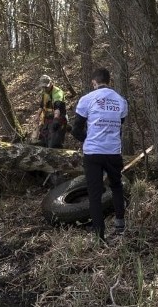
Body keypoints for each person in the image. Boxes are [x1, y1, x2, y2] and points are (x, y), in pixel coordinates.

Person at [70, 68, 128, 242]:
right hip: (113, 151)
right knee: (116, 186)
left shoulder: (87, 99)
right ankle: (120, 226)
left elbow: (76, 129)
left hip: (93, 152)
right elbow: (121, 122)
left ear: (94, 82)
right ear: (109, 81)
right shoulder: (121, 101)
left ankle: (99, 235)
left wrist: (87, 139)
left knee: (94, 194)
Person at [35, 74, 67, 148]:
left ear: (51, 83)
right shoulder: (44, 92)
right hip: (47, 120)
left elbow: (57, 107)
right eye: (43, 87)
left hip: (58, 119)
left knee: (54, 144)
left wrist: (56, 119)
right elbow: (41, 105)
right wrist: (37, 115)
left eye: (46, 86)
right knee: (43, 142)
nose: (44, 88)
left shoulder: (58, 92)